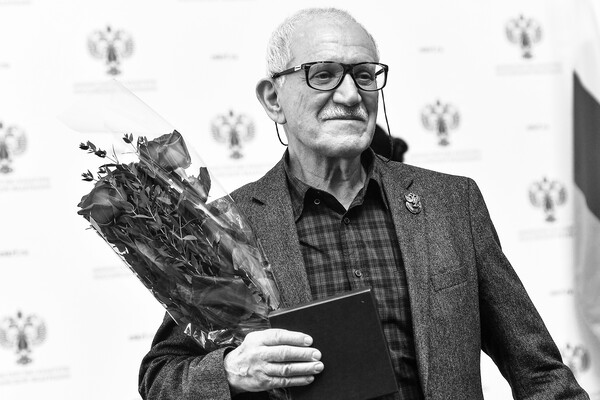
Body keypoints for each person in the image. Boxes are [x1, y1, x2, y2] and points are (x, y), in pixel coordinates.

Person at [139, 7, 589, 400]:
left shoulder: (452, 204)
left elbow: (539, 373)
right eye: (323, 74)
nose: (352, 95)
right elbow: (161, 376)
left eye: (365, 75)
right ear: (274, 99)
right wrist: (231, 372)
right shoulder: (228, 226)